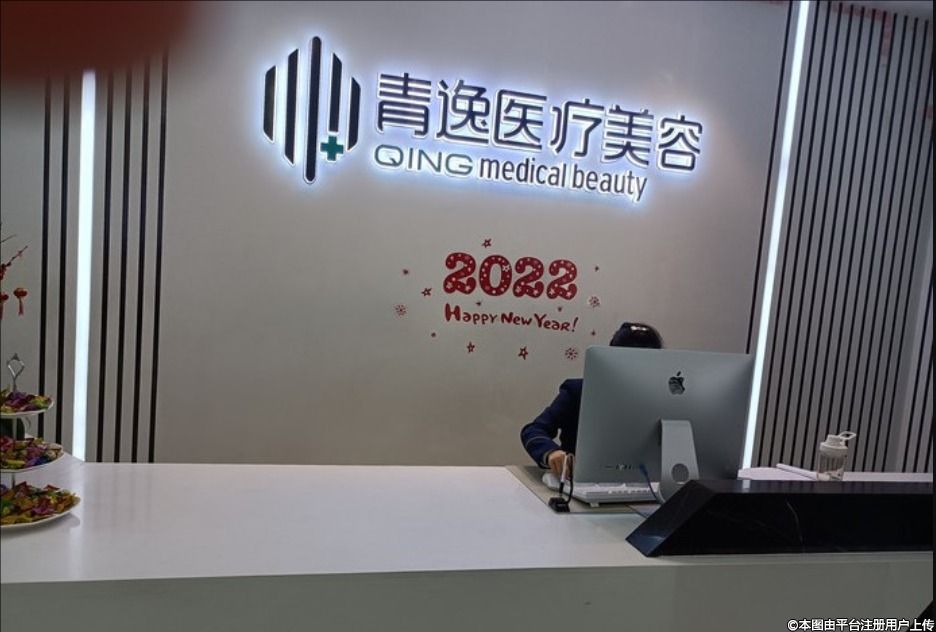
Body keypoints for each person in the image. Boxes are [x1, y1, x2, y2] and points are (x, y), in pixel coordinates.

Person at [520, 322, 663, 475]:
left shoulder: (662, 398)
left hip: (645, 479)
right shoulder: (578, 391)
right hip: (580, 477)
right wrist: (551, 453)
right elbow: (534, 430)